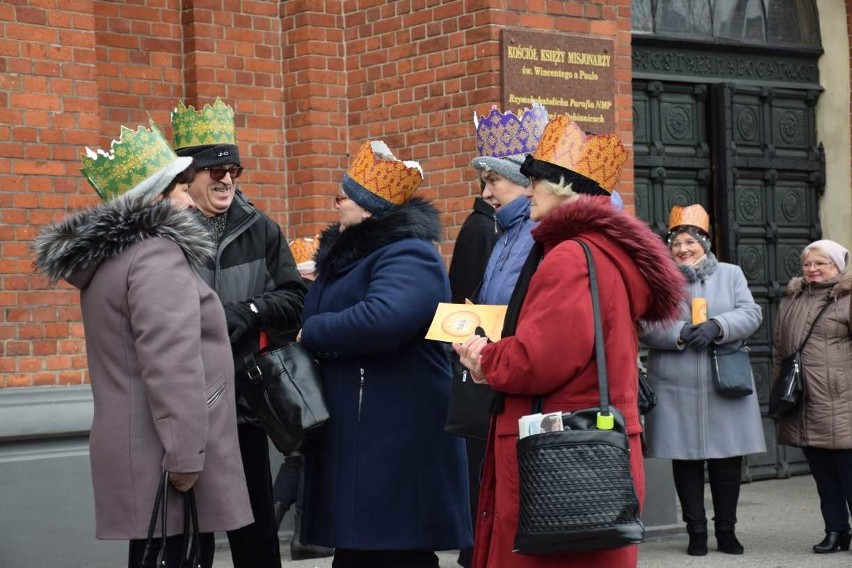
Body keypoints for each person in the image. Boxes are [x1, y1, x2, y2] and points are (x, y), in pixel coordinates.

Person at [453, 115, 685, 568]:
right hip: (593, 448)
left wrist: (485, 358)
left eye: (535, 179)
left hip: (557, 454)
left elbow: (540, 359)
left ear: (560, 186)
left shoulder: (569, 256)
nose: (529, 186)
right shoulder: (605, 251)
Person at [33, 121, 253, 567]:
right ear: (156, 197)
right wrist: (187, 455)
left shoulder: (118, 256)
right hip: (167, 455)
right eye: (179, 188)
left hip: (144, 448)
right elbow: (171, 362)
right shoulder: (156, 254)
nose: (190, 198)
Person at [298, 140, 472, 568]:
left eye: (343, 197)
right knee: (359, 552)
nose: (336, 205)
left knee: (396, 552)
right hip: (365, 431)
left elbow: (384, 318)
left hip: (396, 438)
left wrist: (312, 332)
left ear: (368, 208)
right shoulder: (361, 256)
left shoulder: (409, 254)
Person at [171, 98, 307, 568]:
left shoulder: (262, 230)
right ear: (186, 177)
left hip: (243, 408)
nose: (226, 178)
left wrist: (247, 310)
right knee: (189, 539)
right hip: (184, 409)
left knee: (254, 536)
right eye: (214, 170)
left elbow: (295, 299)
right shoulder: (165, 233)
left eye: (233, 168)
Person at [451, 103, 548, 567]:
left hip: (526, 387)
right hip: (495, 375)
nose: (485, 192)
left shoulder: (536, 235)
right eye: (484, 182)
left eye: (494, 181)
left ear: (526, 182)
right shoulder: (505, 233)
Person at [640, 204, 765, 556]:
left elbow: (751, 312)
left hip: (723, 380)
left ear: (705, 243)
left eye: (689, 242)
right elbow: (647, 324)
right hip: (676, 383)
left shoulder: (731, 274)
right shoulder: (659, 278)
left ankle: (727, 531)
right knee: (686, 460)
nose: (682, 249)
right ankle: (696, 532)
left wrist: (718, 326)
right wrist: (679, 333)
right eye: (676, 243)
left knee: (727, 461)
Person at [773, 239, 852, 554]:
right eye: (808, 263)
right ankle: (836, 531)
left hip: (841, 400)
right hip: (804, 400)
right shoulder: (793, 298)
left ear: (837, 266)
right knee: (823, 477)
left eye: (821, 263)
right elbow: (780, 348)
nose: (813, 269)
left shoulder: (846, 299)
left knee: (848, 474)